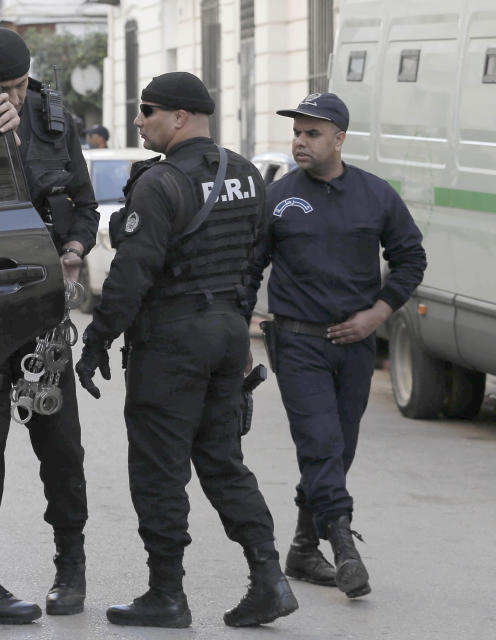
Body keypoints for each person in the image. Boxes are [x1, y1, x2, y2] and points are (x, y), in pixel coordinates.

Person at [75, 71, 298, 629]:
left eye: (146, 110)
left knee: (158, 468)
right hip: (225, 335)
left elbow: (130, 275)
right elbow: (254, 260)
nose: (137, 120)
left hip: (172, 340)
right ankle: (269, 578)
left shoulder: (161, 184)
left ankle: (166, 595)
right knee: (223, 462)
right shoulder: (246, 174)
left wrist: (97, 340)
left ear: (180, 117)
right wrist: (236, 322)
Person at [246, 93, 426, 599]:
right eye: (297, 133)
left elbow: (411, 257)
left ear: (339, 139)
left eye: (312, 133)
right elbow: (248, 269)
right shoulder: (277, 197)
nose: (301, 142)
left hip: (356, 347)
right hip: (298, 341)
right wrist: (237, 334)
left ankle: (304, 547)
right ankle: (344, 546)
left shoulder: (376, 195)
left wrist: (380, 312)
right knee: (321, 442)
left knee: (338, 450)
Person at [0, 26, 99, 625]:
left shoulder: (52, 119)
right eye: (1, 85)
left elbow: (83, 204)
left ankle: (71, 564)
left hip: (40, 314)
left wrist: (75, 245)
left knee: (58, 443)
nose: (11, 95)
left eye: (17, 84)